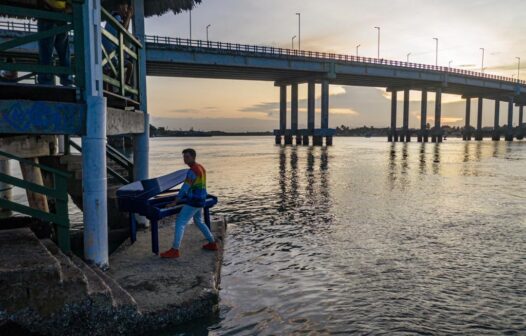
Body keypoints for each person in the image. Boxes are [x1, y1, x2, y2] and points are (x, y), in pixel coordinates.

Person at [161, 149, 219, 259]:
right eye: (184, 157)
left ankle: (175, 250)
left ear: (193, 157)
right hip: (202, 199)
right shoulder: (201, 167)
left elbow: (184, 188)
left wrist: (175, 201)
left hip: (194, 201)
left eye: (187, 157)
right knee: (199, 221)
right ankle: (212, 243)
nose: (185, 159)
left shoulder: (192, 171)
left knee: (180, 222)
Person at [37, 0, 72, 86]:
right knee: (61, 50)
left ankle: (47, 79)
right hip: (52, 12)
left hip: (54, 13)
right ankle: (65, 79)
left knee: (48, 50)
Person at [102, 1, 134, 86]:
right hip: (109, 51)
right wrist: (129, 16)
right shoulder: (116, 16)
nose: (126, 11)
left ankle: (118, 87)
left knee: (112, 70)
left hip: (109, 51)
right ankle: (123, 85)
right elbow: (123, 29)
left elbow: (124, 30)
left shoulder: (114, 16)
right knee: (128, 65)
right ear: (120, 7)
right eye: (126, 8)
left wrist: (128, 18)